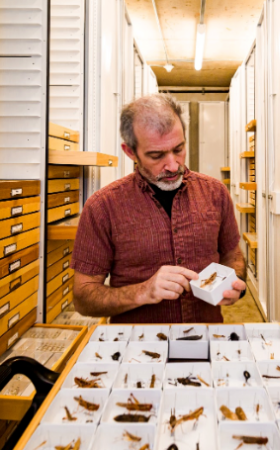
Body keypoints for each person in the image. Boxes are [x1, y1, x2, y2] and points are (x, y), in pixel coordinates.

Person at [70, 94, 246, 323]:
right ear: (130, 151)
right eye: (156, 155)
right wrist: (143, 292)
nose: (173, 165)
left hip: (206, 337)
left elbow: (233, 255)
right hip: (137, 348)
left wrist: (234, 284)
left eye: (179, 149)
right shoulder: (102, 207)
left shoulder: (215, 193)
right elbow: (83, 298)